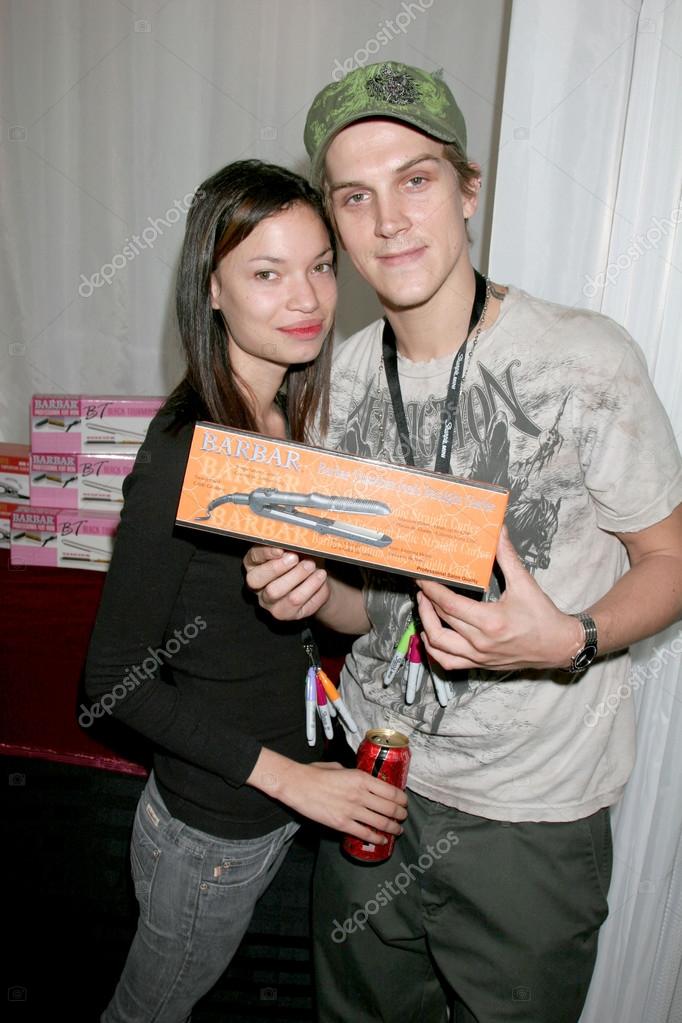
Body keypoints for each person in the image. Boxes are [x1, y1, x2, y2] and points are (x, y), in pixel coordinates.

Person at [243, 63, 682, 1023]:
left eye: (417, 179)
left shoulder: (585, 358)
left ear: (469, 188)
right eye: (355, 196)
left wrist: (568, 638)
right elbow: (373, 609)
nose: (389, 221)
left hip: (529, 817)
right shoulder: (333, 386)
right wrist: (310, 591)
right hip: (372, 781)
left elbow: (671, 558)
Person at [83, 158, 408, 1023]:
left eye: (320, 266)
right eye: (267, 273)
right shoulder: (185, 452)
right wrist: (294, 781)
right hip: (213, 828)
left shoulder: (283, 417)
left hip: (260, 801)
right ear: (212, 290)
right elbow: (112, 680)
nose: (307, 297)